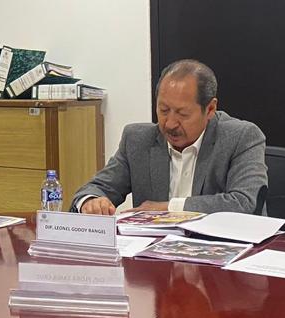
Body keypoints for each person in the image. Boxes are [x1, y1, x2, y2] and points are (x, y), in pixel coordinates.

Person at [72, 59, 267, 215]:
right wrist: (92, 201)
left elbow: (245, 202)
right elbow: (96, 189)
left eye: (182, 114)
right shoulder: (137, 140)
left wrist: (169, 208)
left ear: (210, 109)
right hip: (155, 249)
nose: (170, 123)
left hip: (222, 248)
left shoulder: (241, 137)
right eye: (163, 110)